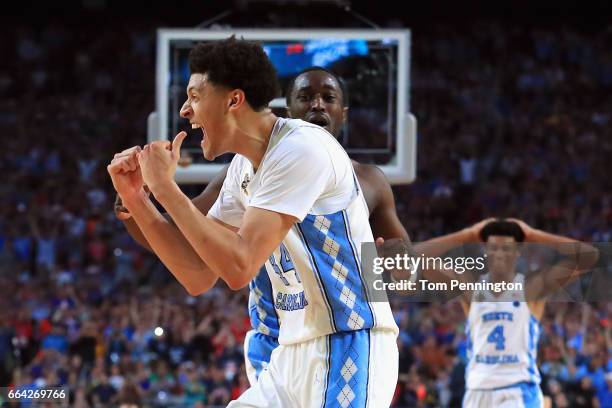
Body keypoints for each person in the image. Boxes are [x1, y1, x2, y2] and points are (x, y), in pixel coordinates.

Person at [108, 37, 399, 407]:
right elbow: (198, 273)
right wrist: (137, 199)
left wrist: (165, 188)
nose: (185, 110)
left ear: (233, 100)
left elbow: (239, 267)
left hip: (349, 343)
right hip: (290, 353)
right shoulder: (243, 168)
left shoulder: (302, 148)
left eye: (195, 96)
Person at [412, 219, 598, 408]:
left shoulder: (532, 288)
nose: (499, 254)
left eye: (506, 248)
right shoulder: (470, 289)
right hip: (477, 391)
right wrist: (466, 234)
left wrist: (533, 234)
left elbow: (589, 256)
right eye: (493, 248)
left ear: (518, 252)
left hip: (517, 390)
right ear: (486, 251)